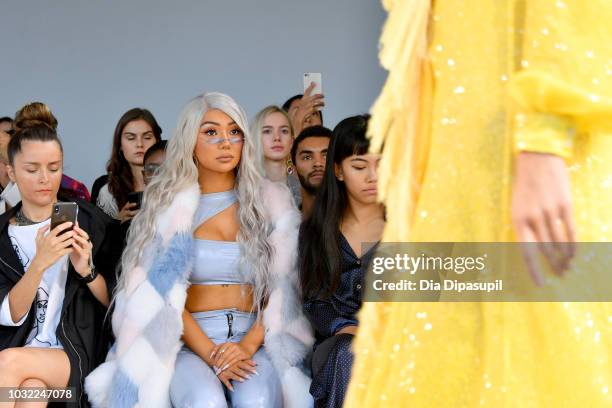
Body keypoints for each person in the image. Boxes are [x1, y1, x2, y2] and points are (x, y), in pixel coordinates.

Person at [345, 1, 612, 407]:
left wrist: (544, 139)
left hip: (519, 148)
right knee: (446, 349)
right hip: (449, 162)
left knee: (537, 340)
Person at [85, 92, 314, 408]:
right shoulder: (168, 208)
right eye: (211, 132)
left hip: (255, 341)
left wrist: (245, 348)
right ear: (190, 141)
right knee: (205, 402)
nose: (225, 142)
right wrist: (212, 353)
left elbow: (282, 293)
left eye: (234, 132)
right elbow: (162, 298)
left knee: (257, 401)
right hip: (187, 345)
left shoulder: (271, 203)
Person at [0, 102, 113, 407]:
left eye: (54, 168)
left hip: (74, 363)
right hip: (28, 366)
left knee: (8, 363)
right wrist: (39, 264)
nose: (45, 179)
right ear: (11, 171)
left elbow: (119, 304)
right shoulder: (2, 235)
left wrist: (87, 269)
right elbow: (8, 316)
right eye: (32, 169)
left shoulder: (91, 223)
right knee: (31, 392)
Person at [299, 115, 384, 408]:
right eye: (359, 167)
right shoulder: (316, 230)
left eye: (381, 164)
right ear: (338, 170)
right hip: (339, 341)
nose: (372, 176)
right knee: (350, 353)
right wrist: (342, 326)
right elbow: (313, 298)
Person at [93, 108, 161, 222]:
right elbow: (97, 237)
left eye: (147, 137)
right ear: (120, 145)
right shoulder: (108, 192)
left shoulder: (175, 182)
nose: (139, 144)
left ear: (157, 140)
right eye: (131, 138)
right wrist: (118, 223)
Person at [251, 105, 302, 206]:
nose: (277, 138)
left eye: (284, 131)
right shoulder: (243, 188)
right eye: (267, 131)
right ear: (256, 138)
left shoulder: (304, 189)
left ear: (292, 142)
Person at [290, 125, 332, 216]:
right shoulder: (282, 227)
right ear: (294, 170)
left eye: (326, 156)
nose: (318, 163)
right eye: (307, 157)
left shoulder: (359, 226)